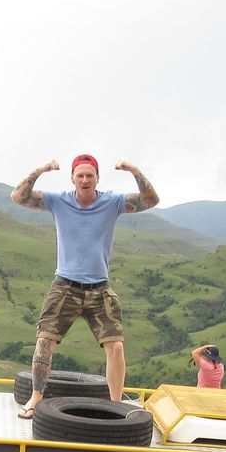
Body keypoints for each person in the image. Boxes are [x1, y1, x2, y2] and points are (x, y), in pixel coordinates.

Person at [12, 155, 160, 416]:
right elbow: (19, 197)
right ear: (72, 178)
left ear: (97, 179)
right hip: (64, 285)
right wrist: (42, 169)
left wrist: (135, 171)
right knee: (44, 340)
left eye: (89, 175)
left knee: (115, 346)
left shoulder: (111, 202)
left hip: (100, 289)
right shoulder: (58, 201)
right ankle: (35, 398)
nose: (84, 179)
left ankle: (115, 406)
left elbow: (151, 200)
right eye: (80, 175)